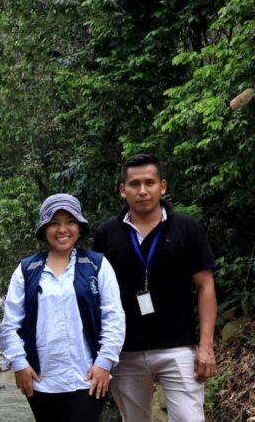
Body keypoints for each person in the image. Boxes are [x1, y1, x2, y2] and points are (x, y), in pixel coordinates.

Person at [93, 153, 217, 421]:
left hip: (178, 348)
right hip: (125, 351)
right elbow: (98, 295)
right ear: (122, 190)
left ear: (162, 186)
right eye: (134, 184)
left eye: (149, 183)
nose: (142, 190)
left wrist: (206, 346)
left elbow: (205, 286)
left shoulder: (187, 228)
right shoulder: (107, 234)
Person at [0, 194, 126, 422]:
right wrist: (19, 364)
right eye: (54, 223)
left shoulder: (97, 265)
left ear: (79, 226)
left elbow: (114, 316)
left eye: (70, 221)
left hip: (88, 376)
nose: (62, 229)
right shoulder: (27, 269)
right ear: (44, 229)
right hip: (40, 379)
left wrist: (104, 363)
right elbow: (10, 323)